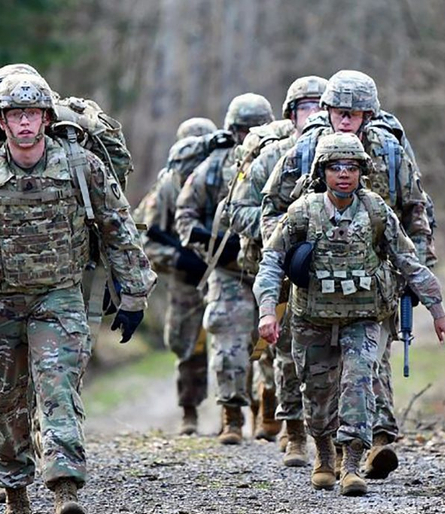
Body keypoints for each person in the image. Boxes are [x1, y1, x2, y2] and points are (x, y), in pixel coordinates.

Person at [0, 74, 155, 514]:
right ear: (2, 121)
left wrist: (133, 292)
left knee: (58, 390)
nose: (24, 122)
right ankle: (15, 499)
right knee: (7, 402)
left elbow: (117, 226)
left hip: (59, 297)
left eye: (32, 114)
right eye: (15, 114)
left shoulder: (80, 165)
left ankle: (66, 492)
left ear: (46, 119)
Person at [253, 133, 445, 496]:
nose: (344, 174)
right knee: (316, 394)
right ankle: (324, 454)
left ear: (363, 171)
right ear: (322, 172)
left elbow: (409, 262)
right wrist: (268, 311)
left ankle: (351, 464)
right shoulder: (302, 212)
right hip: (312, 317)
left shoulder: (376, 211)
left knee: (358, 384)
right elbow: (271, 262)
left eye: (351, 167)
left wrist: (438, 311)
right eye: (335, 167)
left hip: (364, 317)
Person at [226, 75, 327, 465]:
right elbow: (239, 210)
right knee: (282, 350)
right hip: (282, 268)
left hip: (333, 275)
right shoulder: (273, 157)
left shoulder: (344, 156)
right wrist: (285, 238)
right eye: (306, 108)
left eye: (322, 106)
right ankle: (293, 428)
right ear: (291, 115)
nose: (315, 115)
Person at [174, 93, 274, 445]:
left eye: (257, 129)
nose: (249, 136)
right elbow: (184, 212)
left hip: (272, 271)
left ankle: (271, 410)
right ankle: (232, 415)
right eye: (243, 129)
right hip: (228, 270)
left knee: (273, 350)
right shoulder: (215, 166)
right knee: (228, 347)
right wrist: (205, 240)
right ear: (232, 129)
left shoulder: (279, 160)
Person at [134, 117, 218, 435]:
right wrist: (179, 260)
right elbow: (146, 236)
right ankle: (190, 411)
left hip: (227, 271)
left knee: (238, 343)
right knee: (186, 343)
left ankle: (239, 412)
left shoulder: (224, 179)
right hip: (187, 277)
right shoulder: (167, 186)